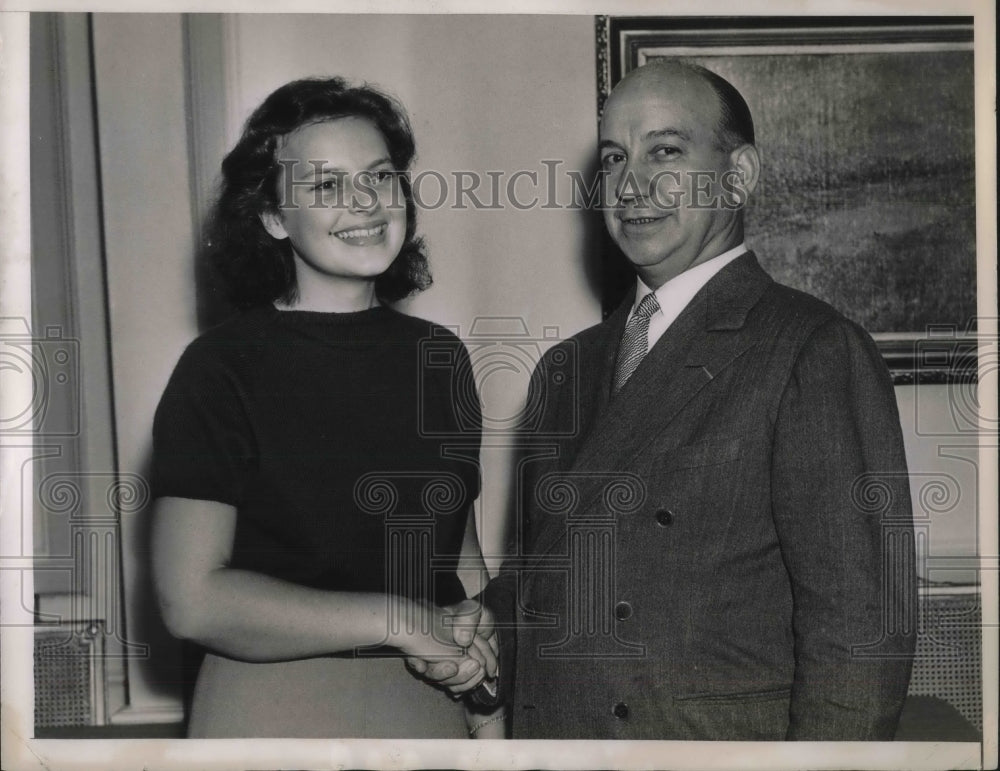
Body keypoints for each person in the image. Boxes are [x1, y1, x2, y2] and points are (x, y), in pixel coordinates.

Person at [411, 59, 916, 740]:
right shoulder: (567, 368)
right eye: (615, 157)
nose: (631, 183)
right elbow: (548, 575)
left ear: (739, 176)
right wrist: (489, 622)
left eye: (666, 151)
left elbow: (860, 637)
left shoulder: (812, 350)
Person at [150, 77, 501, 738]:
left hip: (429, 700)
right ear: (274, 216)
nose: (364, 203)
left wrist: (490, 693)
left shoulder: (440, 356)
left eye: (379, 176)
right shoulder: (221, 367)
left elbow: (458, 559)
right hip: (271, 705)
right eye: (327, 186)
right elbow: (190, 598)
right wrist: (396, 618)